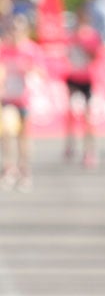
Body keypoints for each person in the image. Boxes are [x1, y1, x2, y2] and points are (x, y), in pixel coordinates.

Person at [0, 14, 44, 192]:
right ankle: (9, 168)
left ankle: (24, 170)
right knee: (7, 133)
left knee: (23, 137)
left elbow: (41, 72)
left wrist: (30, 70)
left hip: (24, 98)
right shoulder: (4, 49)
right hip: (7, 98)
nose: (14, 33)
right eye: (12, 29)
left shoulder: (31, 50)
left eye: (17, 29)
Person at [64, 4, 102, 168]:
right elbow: (67, 56)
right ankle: (70, 143)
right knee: (71, 112)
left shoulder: (92, 36)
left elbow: (95, 56)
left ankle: (90, 151)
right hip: (73, 77)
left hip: (87, 79)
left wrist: (84, 45)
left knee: (88, 117)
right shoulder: (70, 36)